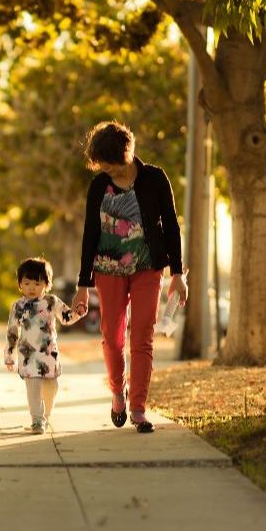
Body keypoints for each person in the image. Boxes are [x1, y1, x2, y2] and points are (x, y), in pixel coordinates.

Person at [71, 121, 188, 434]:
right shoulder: (99, 186)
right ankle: (117, 392)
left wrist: (177, 273)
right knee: (112, 337)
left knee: (142, 337)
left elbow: (172, 227)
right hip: (107, 270)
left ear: (125, 156)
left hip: (148, 267)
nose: (106, 171)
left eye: (109, 165)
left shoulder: (155, 178)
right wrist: (83, 285)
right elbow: (90, 234)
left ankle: (138, 407)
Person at [5, 257, 85, 434]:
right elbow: (12, 332)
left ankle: (47, 416)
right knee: (33, 387)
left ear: (46, 284)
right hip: (28, 356)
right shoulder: (17, 306)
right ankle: (37, 420)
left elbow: (66, 317)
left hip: (49, 353)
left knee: (51, 386)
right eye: (26, 283)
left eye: (37, 283)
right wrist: (9, 355)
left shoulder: (51, 302)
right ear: (20, 285)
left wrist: (78, 313)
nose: (31, 288)